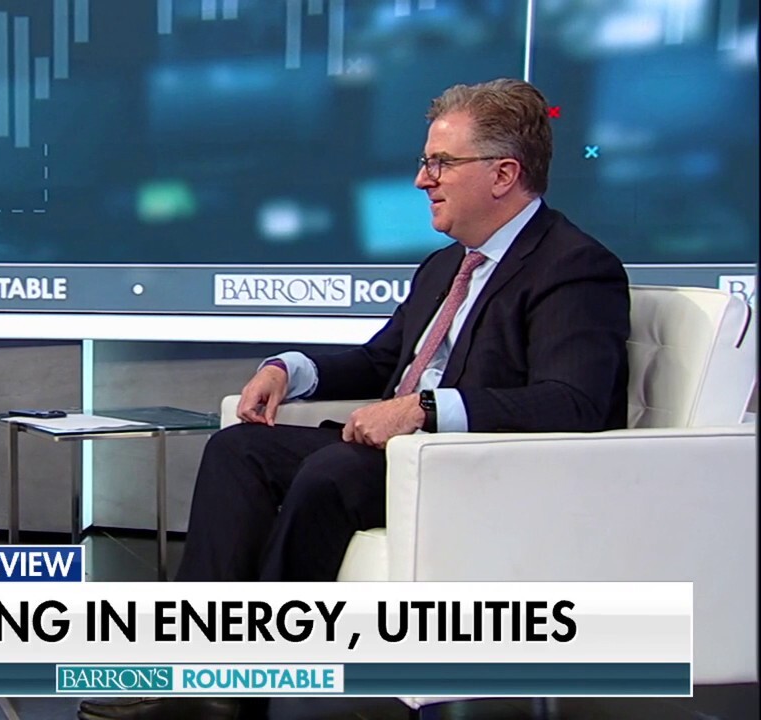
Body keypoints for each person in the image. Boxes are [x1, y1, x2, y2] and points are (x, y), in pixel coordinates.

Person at [78, 79, 631, 720]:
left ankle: (248, 674)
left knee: (332, 471)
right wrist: (289, 369)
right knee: (239, 449)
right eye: (426, 161)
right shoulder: (446, 266)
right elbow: (380, 362)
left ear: (504, 174)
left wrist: (424, 410)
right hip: (397, 454)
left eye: (441, 163)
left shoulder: (573, 266)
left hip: (472, 469)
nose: (423, 180)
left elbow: (572, 403)